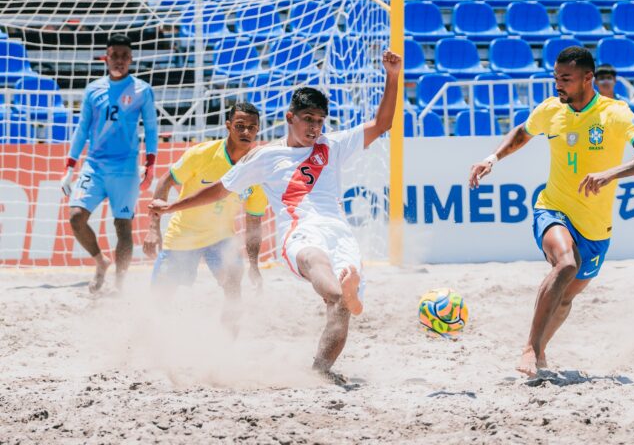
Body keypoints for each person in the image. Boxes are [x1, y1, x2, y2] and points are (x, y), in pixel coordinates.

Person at [149, 50, 402, 379]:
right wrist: (172, 206)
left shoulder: (334, 144)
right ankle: (343, 292)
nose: (314, 127)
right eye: (307, 119)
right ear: (290, 117)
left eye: (319, 120)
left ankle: (320, 371)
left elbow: (383, 123)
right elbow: (220, 189)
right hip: (299, 231)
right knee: (316, 263)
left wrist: (392, 76)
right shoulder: (265, 156)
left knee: (339, 309)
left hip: (339, 231)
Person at [468, 47, 634, 378]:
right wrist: (492, 158)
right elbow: (523, 132)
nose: (557, 84)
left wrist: (609, 173)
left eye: (565, 79)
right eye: (555, 77)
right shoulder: (550, 110)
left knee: (565, 299)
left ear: (588, 79)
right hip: (554, 208)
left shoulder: (615, 113)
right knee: (566, 264)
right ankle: (530, 348)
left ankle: (540, 352)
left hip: (596, 229)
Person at [143, 102, 267, 328]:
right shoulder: (202, 154)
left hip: (221, 239)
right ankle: (148, 346)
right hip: (183, 235)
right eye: (240, 126)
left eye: (252, 127)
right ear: (228, 126)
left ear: (258, 130)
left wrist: (254, 265)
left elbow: (254, 221)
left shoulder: (257, 170)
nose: (246, 132)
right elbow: (165, 182)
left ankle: (227, 348)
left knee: (234, 290)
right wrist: (153, 229)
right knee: (160, 299)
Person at [60, 34, 158, 294]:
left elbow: (150, 128)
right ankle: (100, 261)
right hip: (94, 165)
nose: (119, 60)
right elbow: (82, 129)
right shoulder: (93, 89)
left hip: (125, 168)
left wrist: (150, 164)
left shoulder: (142, 90)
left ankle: (120, 283)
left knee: (123, 227)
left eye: (125, 56)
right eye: (114, 55)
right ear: (106, 57)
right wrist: (70, 167)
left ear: (131, 59)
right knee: (76, 217)